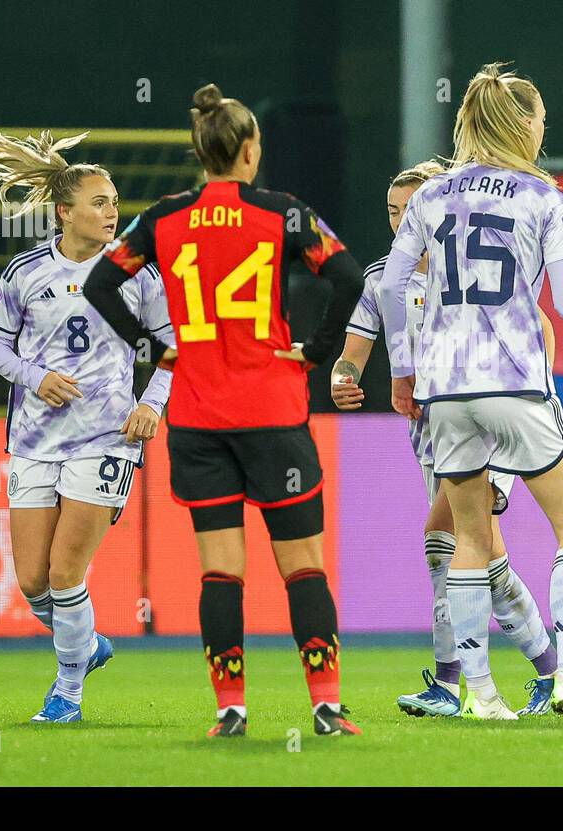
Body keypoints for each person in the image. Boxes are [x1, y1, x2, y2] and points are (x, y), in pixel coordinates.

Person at [82, 84, 365, 739]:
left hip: (199, 419)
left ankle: (230, 709)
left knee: (220, 572)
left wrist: (156, 348)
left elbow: (102, 284)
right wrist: (317, 352)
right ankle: (325, 705)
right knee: (302, 566)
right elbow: (350, 278)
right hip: (271, 410)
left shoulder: (160, 219)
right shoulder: (286, 214)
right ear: (246, 150)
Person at [376, 63, 563, 720]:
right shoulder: (544, 198)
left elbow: (389, 286)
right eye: (541, 118)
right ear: (525, 124)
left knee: (468, 538)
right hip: (515, 382)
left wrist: (403, 368)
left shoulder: (432, 196)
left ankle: (479, 693)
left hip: (445, 392)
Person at [332, 160, 561, 718]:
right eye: (392, 212)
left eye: (410, 210)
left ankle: (451, 684)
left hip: (489, 422)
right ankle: (551, 673)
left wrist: (535, 391)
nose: (401, 222)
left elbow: (544, 326)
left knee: (445, 540)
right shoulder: (384, 279)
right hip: (431, 437)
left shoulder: (479, 268)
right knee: (486, 560)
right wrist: (342, 379)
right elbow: (353, 353)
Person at [0, 131, 174, 723]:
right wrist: (34, 377)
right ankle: (84, 646)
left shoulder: (137, 272)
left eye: (115, 201)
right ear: (65, 211)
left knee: (64, 571)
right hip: (34, 439)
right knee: (32, 580)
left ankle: (67, 691)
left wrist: (151, 405)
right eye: (100, 202)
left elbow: (173, 347)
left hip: (108, 436)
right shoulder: (27, 271)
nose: (113, 213)